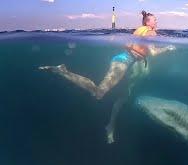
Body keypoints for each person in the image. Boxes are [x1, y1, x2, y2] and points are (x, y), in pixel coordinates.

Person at [39, 10, 176, 143]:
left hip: (122, 59)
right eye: (154, 20)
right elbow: (152, 53)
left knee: (114, 94)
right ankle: (63, 71)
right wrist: (167, 48)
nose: (156, 21)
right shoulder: (151, 32)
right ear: (148, 22)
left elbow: (129, 45)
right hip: (123, 62)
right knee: (98, 93)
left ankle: (110, 124)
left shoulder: (140, 30)